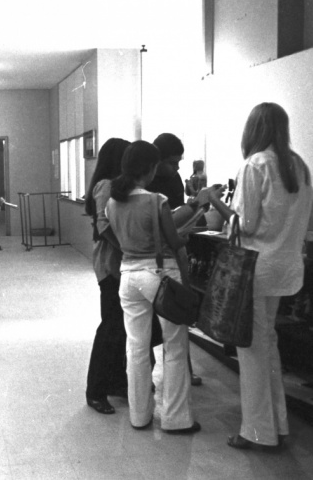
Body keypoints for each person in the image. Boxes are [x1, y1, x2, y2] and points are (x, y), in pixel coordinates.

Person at [208, 102, 313, 449]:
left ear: (253, 129)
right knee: (267, 346)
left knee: (253, 350)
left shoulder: (255, 165)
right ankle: (278, 425)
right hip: (286, 270)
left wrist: (216, 201)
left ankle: (257, 432)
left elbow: (246, 224)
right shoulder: (298, 166)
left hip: (256, 270)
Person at [106, 141, 199, 434]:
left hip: (128, 277)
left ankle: (139, 416)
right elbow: (174, 241)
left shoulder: (113, 201)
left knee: (135, 348)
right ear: (150, 168)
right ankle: (175, 418)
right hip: (159, 275)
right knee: (174, 346)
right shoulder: (155, 200)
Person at [146, 133, 202, 386]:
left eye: (179, 162)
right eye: (172, 162)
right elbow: (161, 222)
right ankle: (147, 375)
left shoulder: (174, 178)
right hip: (153, 258)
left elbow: (177, 215)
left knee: (178, 315)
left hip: (174, 252)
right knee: (150, 322)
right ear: (157, 160)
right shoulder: (146, 179)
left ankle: (184, 373)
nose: (177, 167)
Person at [83, 138, 131, 414]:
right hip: (110, 265)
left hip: (119, 264)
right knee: (110, 327)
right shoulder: (106, 186)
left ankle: (115, 381)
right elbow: (104, 227)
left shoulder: (118, 186)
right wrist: (127, 247)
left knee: (119, 328)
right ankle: (96, 390)